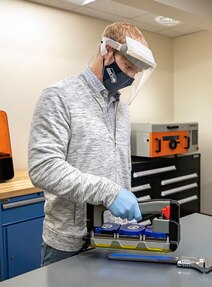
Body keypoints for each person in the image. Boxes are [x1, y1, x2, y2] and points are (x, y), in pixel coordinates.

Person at [28, 22, 156, 266]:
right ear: (107, 50)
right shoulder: (58, 97)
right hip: (70, 245)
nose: (129, 77)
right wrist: (109, 192)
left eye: (135, 73)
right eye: (127, 66)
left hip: (114, 238)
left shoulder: (122, 110)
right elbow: (43, 168)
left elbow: (118, 171)